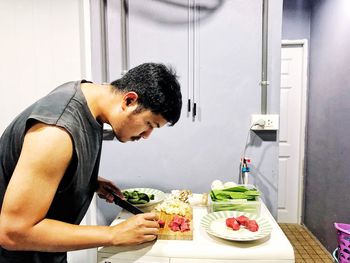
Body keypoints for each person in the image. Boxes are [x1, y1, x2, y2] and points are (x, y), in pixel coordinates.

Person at [0, 62, 182, 263]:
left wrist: (89, 181)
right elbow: (13, 232)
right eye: (149, 124)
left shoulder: (87, 96)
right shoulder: (55, 132)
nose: (147, 135)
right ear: (129, 100)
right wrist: (114, 234)